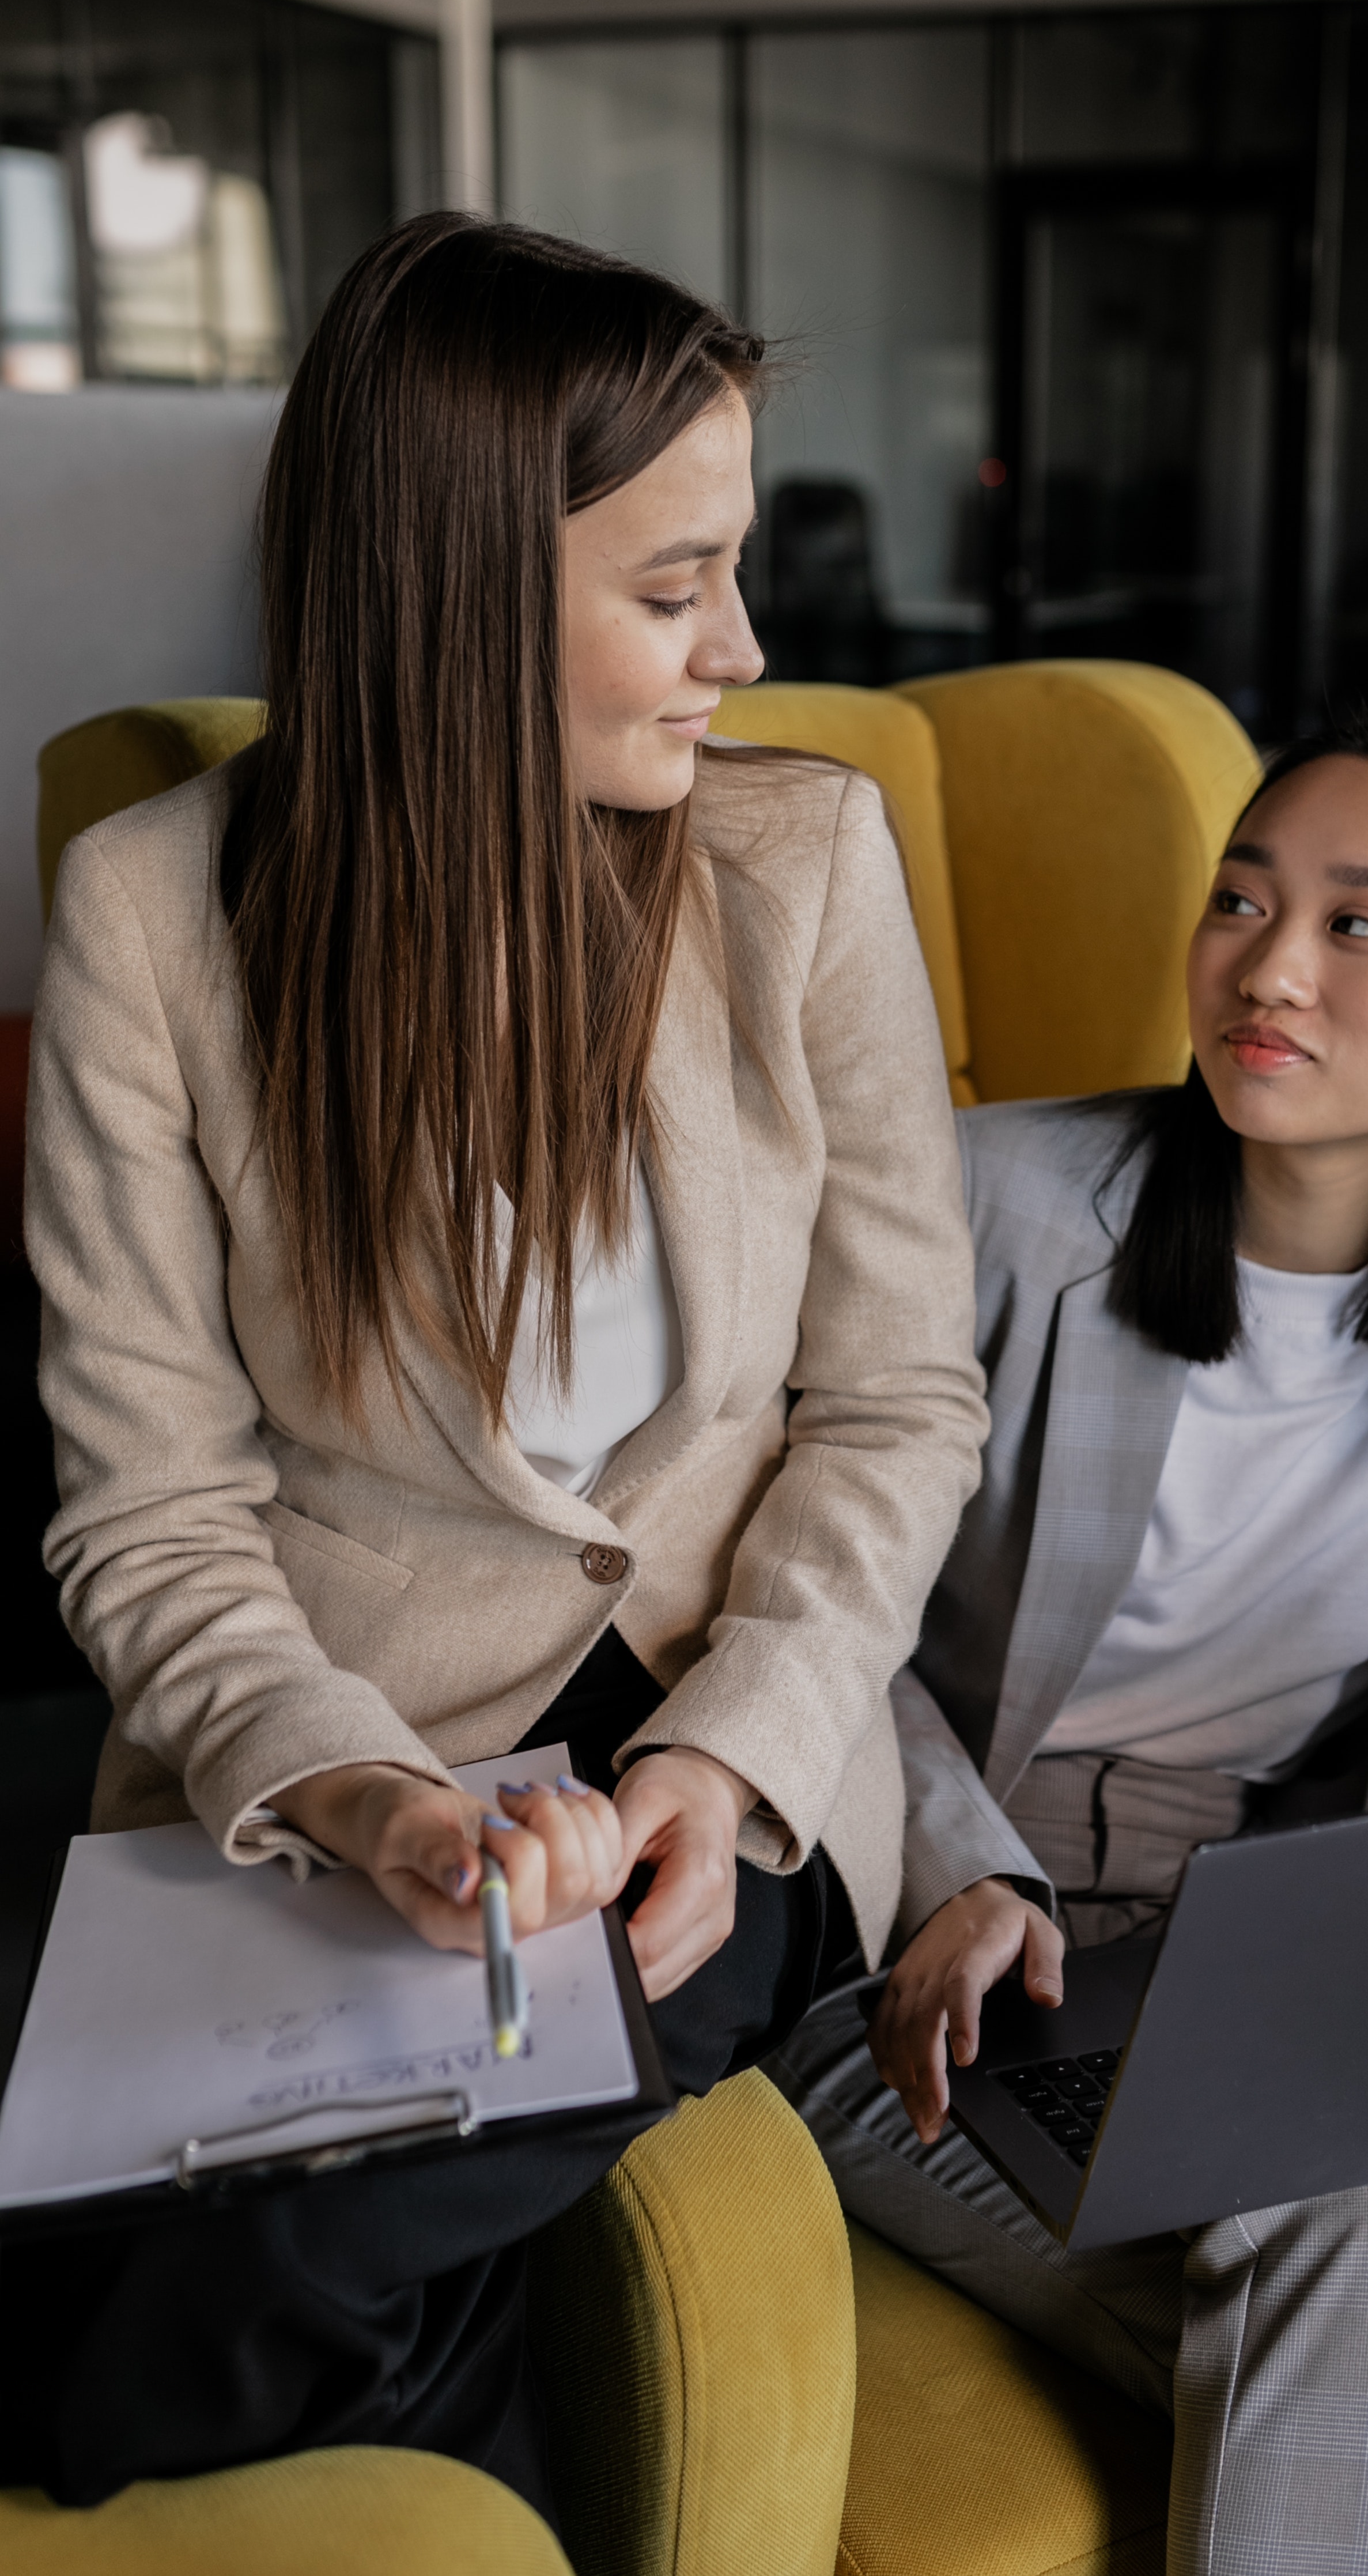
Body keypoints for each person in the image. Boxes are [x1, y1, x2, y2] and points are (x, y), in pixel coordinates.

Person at [12, 214, 987, 2517]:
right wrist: (364, 1796)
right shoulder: (154, 923)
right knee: (209, 2236)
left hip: (700, 1753)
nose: (741, 652)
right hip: (351, 1750)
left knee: (281, 2269)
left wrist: (731, 1767)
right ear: (453, 592)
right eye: (676, 589)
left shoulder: (803, 870)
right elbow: (147, 1504)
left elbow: (896, 1402)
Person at [774, 715, 1368, 2576]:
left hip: (1265, 1933)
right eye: (1241, 899)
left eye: (1360, 925)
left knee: (1362, 2212)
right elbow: (806, 1606)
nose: (1266, 966)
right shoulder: (990, 1205)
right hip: (922, 1934)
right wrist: (955, 1871)